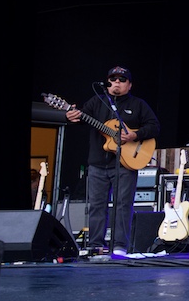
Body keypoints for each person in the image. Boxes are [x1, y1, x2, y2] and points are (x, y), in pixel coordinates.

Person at [65, 66, 160, 256]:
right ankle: (95, 245)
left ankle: (119, 246)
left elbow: (154, 126)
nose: (117, 82)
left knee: (123, 205)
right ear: (108, 82)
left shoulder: (138, 104)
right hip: (98, 164)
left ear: (129, 85)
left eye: (122, 80)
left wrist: (135, 135)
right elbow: (81, 118)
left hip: (126, 163)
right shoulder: (96, 101)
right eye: (113, 79)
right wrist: (70, 116)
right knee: (96, 205)